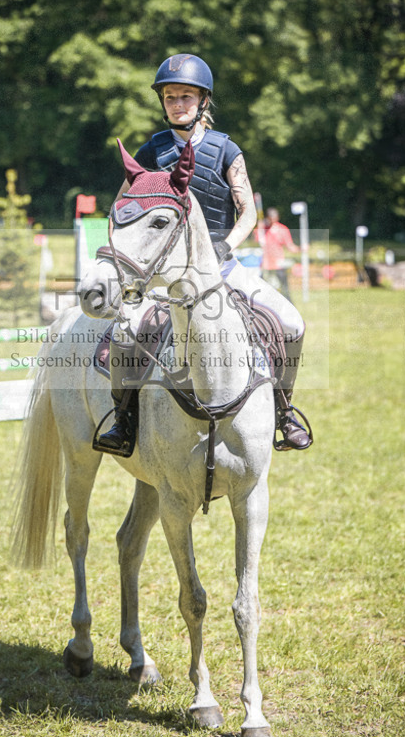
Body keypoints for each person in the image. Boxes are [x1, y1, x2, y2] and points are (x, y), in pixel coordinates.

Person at [94, 53, 311, 457]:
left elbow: (249, 212)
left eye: (186, 96)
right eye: (170, 97)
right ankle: (122, 420)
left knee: (291, 324)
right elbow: (120, 208)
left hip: (221, 267)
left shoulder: (226, 149)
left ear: (203, 101)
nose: (178, 103)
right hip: (164, 276)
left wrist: (227, 245)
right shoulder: (149, 153)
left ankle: (284, 412)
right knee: (125, 333)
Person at [256, 207, 300, 302]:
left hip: (278, 265)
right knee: (262, 289)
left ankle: (290, 306)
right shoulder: (263, 229)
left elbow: (290, 246)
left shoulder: (283, 229)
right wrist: (259, 228)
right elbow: (256, 241)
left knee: (284, 289)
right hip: (266, 265)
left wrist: (300, 249)